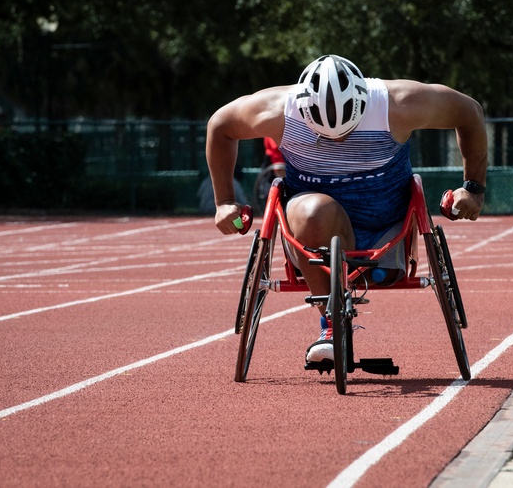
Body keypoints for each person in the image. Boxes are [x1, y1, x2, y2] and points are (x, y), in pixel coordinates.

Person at [206, 54, 488, 363]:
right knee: (315, 211)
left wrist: (473, 188)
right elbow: (220, 124)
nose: (338, 139)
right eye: (324, 134)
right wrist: (224, 202)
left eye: (346, 130)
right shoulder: (278, 109)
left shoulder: (397, 103)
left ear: (362, 102)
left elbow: (469, 111)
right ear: (302, 106)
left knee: (365, 250)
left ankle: (355, 285)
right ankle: (331, 324)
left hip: (387, 229)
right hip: (313, 231)